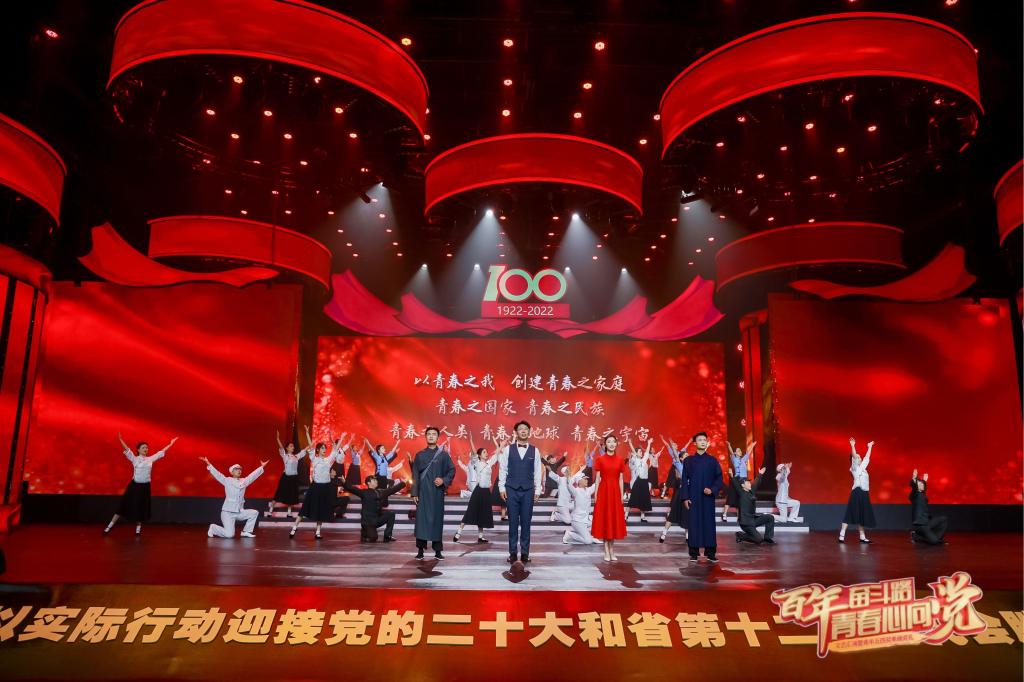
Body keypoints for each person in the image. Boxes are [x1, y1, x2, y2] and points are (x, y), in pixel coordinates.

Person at [104, 433, 179, 535]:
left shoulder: (150, 459)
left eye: (147, 448)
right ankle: (109, 526)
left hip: (145, 487)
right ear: (138, 450)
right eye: (143, 447)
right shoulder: (134, 458)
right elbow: (127, 449)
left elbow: (162, 451)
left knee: (141, 507)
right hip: (134, 486)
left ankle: (138, 529)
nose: (146, 449)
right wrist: (120, 439)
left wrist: (171, 443)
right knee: (123, 505)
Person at [498, 420, 544, 564]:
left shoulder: (535, 450)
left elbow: (538, 471)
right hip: (511, 489)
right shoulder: (508, 449)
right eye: (520, 429)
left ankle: (525, 553)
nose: (523, 431)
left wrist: (538, 489)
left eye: (525, 429)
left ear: (529, 432)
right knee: (512, 522)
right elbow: (503, 469)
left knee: (526, 522)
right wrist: (501, 487)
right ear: (516, 432)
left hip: (528, 490)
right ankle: (512, 553)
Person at [290, 431, 349, 539]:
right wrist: (307, 433)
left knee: (321, 510)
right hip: (315, 487)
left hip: (325, 488)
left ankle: (317, 532)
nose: (324, 450)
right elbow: (311, 446)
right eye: (322, 448)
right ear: (318, 450)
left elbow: (335, 449)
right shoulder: (314, 458)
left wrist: (341, 437)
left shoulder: (328, 460)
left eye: (325, 448)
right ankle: (294, 528)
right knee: (305, 508)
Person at [411, 427, 456, 560]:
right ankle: (420, 550)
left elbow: (452, 470)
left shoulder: (443, 455)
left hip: (437, 493)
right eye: (429, 434)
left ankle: (438, 551)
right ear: (426, 437)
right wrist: (414, 493)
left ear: (437, 437)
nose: (431, 436)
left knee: (437, 521)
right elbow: (415, 475)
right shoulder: (420, 455)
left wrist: (443, 480)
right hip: (423, 493)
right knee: (421, 522)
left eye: (434, 434)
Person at [681, 432, 723, 562]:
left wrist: (712, 490)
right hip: (693, 497)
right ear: (695, 443)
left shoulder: (712, 460)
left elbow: (719, 478)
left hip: (708, 498)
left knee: (709, 524)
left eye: (704, 440)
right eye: (700, 440)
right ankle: (694, 553)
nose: (703, 442)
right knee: (694, 524)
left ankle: (710, 553)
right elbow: (684, 480)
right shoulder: (688, 461)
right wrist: (685, 497)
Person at [201, 456, 268, 538]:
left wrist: (262, 467)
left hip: (239, 512)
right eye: (236, 469)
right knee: (229, 535)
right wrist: (208, 463)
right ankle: (213, 528)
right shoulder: (227, 480)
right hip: (228, 513)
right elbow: (217, 474)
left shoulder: (244, 481)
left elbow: (252, 476)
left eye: (240, 469)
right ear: (232, 472)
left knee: (254, 513)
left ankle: (246, 531)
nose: (239, 471)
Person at [454, 436, 498, 543]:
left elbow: (497, 453)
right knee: (470, 511)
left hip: (486, 492)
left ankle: (480, 537)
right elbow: (474, 452)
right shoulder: (477, 463)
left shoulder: (489, 464)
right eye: (484, 452)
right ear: (479, 455)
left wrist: (500, 445)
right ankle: (458, 532)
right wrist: (471, 441)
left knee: (482, 514)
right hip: (478, 491)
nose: (486, 453)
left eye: (486, 452)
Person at [591, 434, 628, 561]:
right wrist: (596, 494)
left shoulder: (620, 460)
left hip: (615, 492)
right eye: (609, 442)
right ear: (605, 444)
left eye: (613, 442)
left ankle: (612, 550)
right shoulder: (600, 459)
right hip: (604, 492)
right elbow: (597, 479)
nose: (611, 444)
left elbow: (621, 479)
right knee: (605, 520)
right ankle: (606, 551)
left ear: (616, 444)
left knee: (613, 520)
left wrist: (621, 495)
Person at [344, 475, 406, 542]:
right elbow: (352, 489)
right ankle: (364, 532)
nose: (376, 481)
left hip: (377, 519)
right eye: (374, 480)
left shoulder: (380, 492)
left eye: (376, 480)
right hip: (368, 522)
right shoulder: (364, 492)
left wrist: (402, 483)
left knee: (391, 514)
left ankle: (387, 536)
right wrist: (344, 483)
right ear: (368, 483)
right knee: (373, 538)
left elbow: (392, 490)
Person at [839, 438, 875, 544]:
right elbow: (854, 457)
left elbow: (867, 458)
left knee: (861, 515)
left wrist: (870, 447)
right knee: (850, 513)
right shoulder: (854, 468)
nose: (860, 458)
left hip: (864, 493)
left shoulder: (863, 468)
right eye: (858, 457)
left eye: (860, 457)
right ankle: (842, 535)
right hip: (857, 492)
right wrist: (853, 445)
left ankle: (862, 537)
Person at [268, 430, 308, 518]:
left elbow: (303, 451)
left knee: (291, 496)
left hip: (293, 479)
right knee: (278, 494)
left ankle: (289, 513)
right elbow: (281, 448)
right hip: (286, 478)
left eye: (293, 446)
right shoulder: (285, 456)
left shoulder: (296, 456)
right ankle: (270, 511)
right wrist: (278, 438)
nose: (293, 447)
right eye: (291, 446)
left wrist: (310, 444)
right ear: (287, 448)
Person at [659, 437, 692, 542]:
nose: (688, 456)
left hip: (688, 493)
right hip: (681, 493)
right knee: (673, 514)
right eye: (686, 455)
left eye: (688, 455)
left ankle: (687, 537)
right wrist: (672, 446)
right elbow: (676, 455)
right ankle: (663, 534)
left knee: (687, 515)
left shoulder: (692, 468)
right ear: (681, 459)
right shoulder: (679, 466)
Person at [734, 466, 776, 545]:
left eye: (749, 482)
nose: (750, 483)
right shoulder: (741, 493)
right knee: (758, 540)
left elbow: (756, 483)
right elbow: (735, 484)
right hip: (746, 523)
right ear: (743, 485)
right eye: (747, 483)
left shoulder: (751, 491)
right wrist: (732, 475)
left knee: (770, 517)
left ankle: (768, 537)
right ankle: (741, 536)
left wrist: (760, 474)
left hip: (753, 520)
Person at [910, 469, 948, 545]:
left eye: (922, 484)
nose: (921, 485)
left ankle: (936, 538)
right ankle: (917, 536)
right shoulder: (915, 495)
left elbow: (923, 487)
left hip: (926, 522)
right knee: (934, 542)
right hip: (920, 525)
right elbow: (914, 486)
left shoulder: (923, 495)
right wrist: (914, 477)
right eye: (919, 484)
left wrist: (924, 481)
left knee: (944, 519)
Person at [722, 439, 756, 522]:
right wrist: (729, 445)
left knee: (740, 498)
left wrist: (752, 445)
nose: (740, 451)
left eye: (740, 450)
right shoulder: (734, 459)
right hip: (736, 480)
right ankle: (724, 514)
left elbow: (748, 452)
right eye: (738, 451)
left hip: (743, 480)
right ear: (735, 453)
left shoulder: (743, 459)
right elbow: (731, 452)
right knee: (731, 496)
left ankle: (739, 516)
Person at [563, 468, 599, 545]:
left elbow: (597, 483)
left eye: (587, 479)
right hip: (578, 521)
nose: (587, 481)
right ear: (579, 481)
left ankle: (587, 535)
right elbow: (569, 485)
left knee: (599, 521)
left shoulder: (588, 490)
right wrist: (568, 477)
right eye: (585, 479)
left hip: (585, 520)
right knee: (588, 541)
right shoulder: (576, 491)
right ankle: (570, 534)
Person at [625, 437, 654, 523]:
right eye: (640, 451)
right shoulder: (636, 460)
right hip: (638, 482)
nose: (642, 452)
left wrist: (649, 443)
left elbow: (647, 452)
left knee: (644, 499)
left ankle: (642, 516)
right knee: (632, 499)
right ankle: (625, 515)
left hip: (645, 482)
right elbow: (633, 451)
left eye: (642, 451)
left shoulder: (644, 460)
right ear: (636, 453)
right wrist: (630, 443)